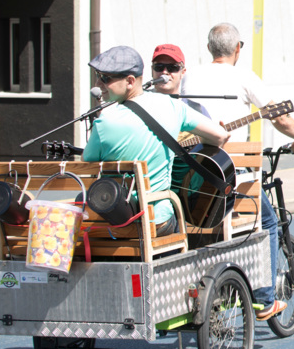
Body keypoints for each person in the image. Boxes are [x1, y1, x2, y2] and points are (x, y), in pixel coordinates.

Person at [181, 22, 294, 321]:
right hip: (232, 176)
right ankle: (264, 298)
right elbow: (279, 117)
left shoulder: (190, 76)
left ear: (209, 48)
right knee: (267, 221)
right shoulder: (243, 77)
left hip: (195, 177)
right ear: (238, 48)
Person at [82, 46, 230, 237]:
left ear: (130, 81)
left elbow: (87, 162)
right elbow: (220, 135)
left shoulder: (104, 122)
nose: (98, 83)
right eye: (98, 76)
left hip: (116, 221)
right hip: (159, 222)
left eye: (105, 78)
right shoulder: (173, 106)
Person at [150, 44, 209, 117]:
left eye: (172, 68)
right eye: (159, 67)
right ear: (152, 70)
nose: (164, 72)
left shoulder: (196, 110)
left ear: (183, 72)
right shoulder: (140, 102)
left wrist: (220, 129)